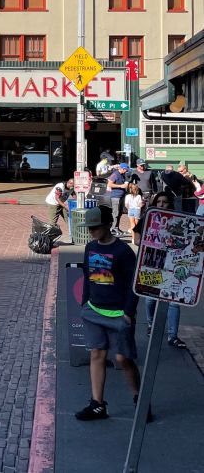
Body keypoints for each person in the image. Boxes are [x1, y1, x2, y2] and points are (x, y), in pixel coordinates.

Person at [76, 205, 150, 422]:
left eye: (96, 227)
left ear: (109, 224)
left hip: (119, 313)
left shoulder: (123, 252)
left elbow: (133, 284)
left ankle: (140, 399)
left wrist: (128, 312)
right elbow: (87, 276)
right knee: (96, 354)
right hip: (94, 311)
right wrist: (85, 304)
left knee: (123, 359)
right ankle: (97, 404)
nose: (91, 231)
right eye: (89, 227)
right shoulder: (90, 248)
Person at [142, 191, 187, 349]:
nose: (161, 204)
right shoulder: (149, 217)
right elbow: (136, 233)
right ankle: (150, 325)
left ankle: (172, 336)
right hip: (153, 261)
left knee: (174, 301)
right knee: (150, 297)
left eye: (165, 202)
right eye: (159, 201)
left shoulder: (178, 220)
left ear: (170, 204)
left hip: (173, 263)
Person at [107, 163, 130, 236]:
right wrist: (121, 186)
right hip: (116, 196)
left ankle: (117, 227)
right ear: (122, 168)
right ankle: (112, 228)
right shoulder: (115, 174)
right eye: (126, 169)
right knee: (115, 213)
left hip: (121, 196)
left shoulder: (122, 175)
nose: (126, 171)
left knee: (120, 213)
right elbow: (110, 184)